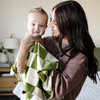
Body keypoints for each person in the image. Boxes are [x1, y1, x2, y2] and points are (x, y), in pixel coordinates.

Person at [43, 0, 98, 100]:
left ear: (69, 24)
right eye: (51, 20)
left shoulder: (80, 58)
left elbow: (58, 90)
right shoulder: (46, 41)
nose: (50, 25)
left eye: (54, 22)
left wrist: (42, 59)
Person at [16, 7, 48, 74]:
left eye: (41, 25)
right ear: (27, 25)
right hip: (29, 67)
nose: (36, 28)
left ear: (46, 27)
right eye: (33, 24)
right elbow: (23, 50)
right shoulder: (29, 38)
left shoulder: (38, 38)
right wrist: (20, 66)